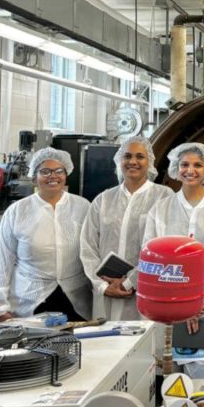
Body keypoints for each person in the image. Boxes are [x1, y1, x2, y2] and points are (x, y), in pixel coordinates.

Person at [143, 143, 204, 379]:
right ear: (176, 168)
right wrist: (179, 306)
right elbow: (152, 260)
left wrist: (197, 304)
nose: (190, 170)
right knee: (169, 383)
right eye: (184, 164)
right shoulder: (161, 209)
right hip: (167, 311)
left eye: (198, 165)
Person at [0, 147, 92, 322]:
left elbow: (92, 251)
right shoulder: (17, 211)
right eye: (45, 171)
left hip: (76, 300)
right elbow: (3, 261)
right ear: (34, 177)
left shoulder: (82, 207)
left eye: (59, 171)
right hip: (30, 299)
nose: (53, 176)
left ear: (66, 174)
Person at [80, 135, 172, 321]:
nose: (133, 162)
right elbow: (87, 246)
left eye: (140, 157)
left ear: (150, 162)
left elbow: (165, 249)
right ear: (119, 161)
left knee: (142, 345)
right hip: (106, 292)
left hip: (145, 291)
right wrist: (103, 286)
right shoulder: (103, 199)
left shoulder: (164, 197)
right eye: (127, 156)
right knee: (107, 345)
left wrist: (131, 281)